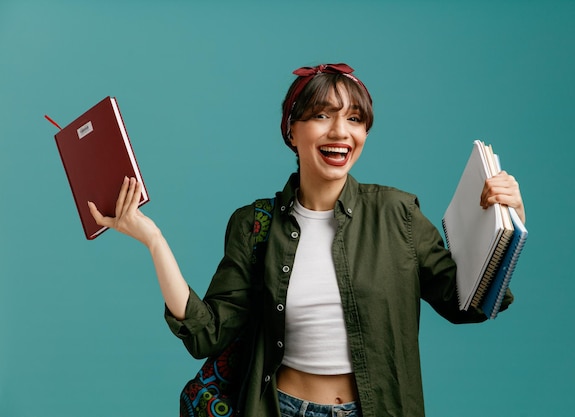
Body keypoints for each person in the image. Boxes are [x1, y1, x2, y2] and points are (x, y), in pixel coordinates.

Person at [89, 63, 525, 417]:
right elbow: (209, 335)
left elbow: (466, 303)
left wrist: (509, 224)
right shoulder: (254, 225)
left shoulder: (398, 213)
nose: (340, 131)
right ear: (292, 131)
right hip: (281, 408)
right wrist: (154, 239)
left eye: (355, 119)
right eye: (322, 115)